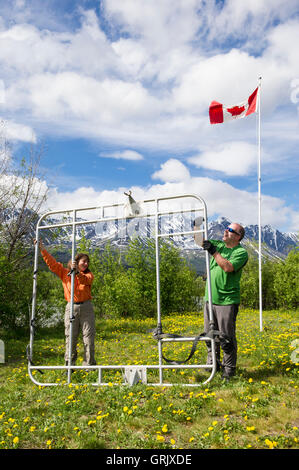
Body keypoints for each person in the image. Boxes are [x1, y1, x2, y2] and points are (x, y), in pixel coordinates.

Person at [34, 239, 96, 368]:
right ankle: (69, 366)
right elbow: (52, 264)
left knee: (88, 338)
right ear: (76, 262)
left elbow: (85, 281)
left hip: (86, 308)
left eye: (87, 262)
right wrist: (42, 249)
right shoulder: (65, 273)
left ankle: (89, 366)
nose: (85, 263)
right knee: (70, 337)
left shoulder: (89, 275)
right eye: (83, 261)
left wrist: (77, 273)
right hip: (71, 307)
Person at [202, 223, 248, 381]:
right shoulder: (220, 245)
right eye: (226, 229)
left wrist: (213, 252)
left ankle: (229, 370)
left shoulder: (241, 252)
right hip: (210, 298)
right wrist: (196, 228)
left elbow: (228, 267)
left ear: (238, 236)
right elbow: (200, 241)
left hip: (227, 301)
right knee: (209, 335)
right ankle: (213, 363)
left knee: (226, 337)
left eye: (230, 230)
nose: (226, 231)